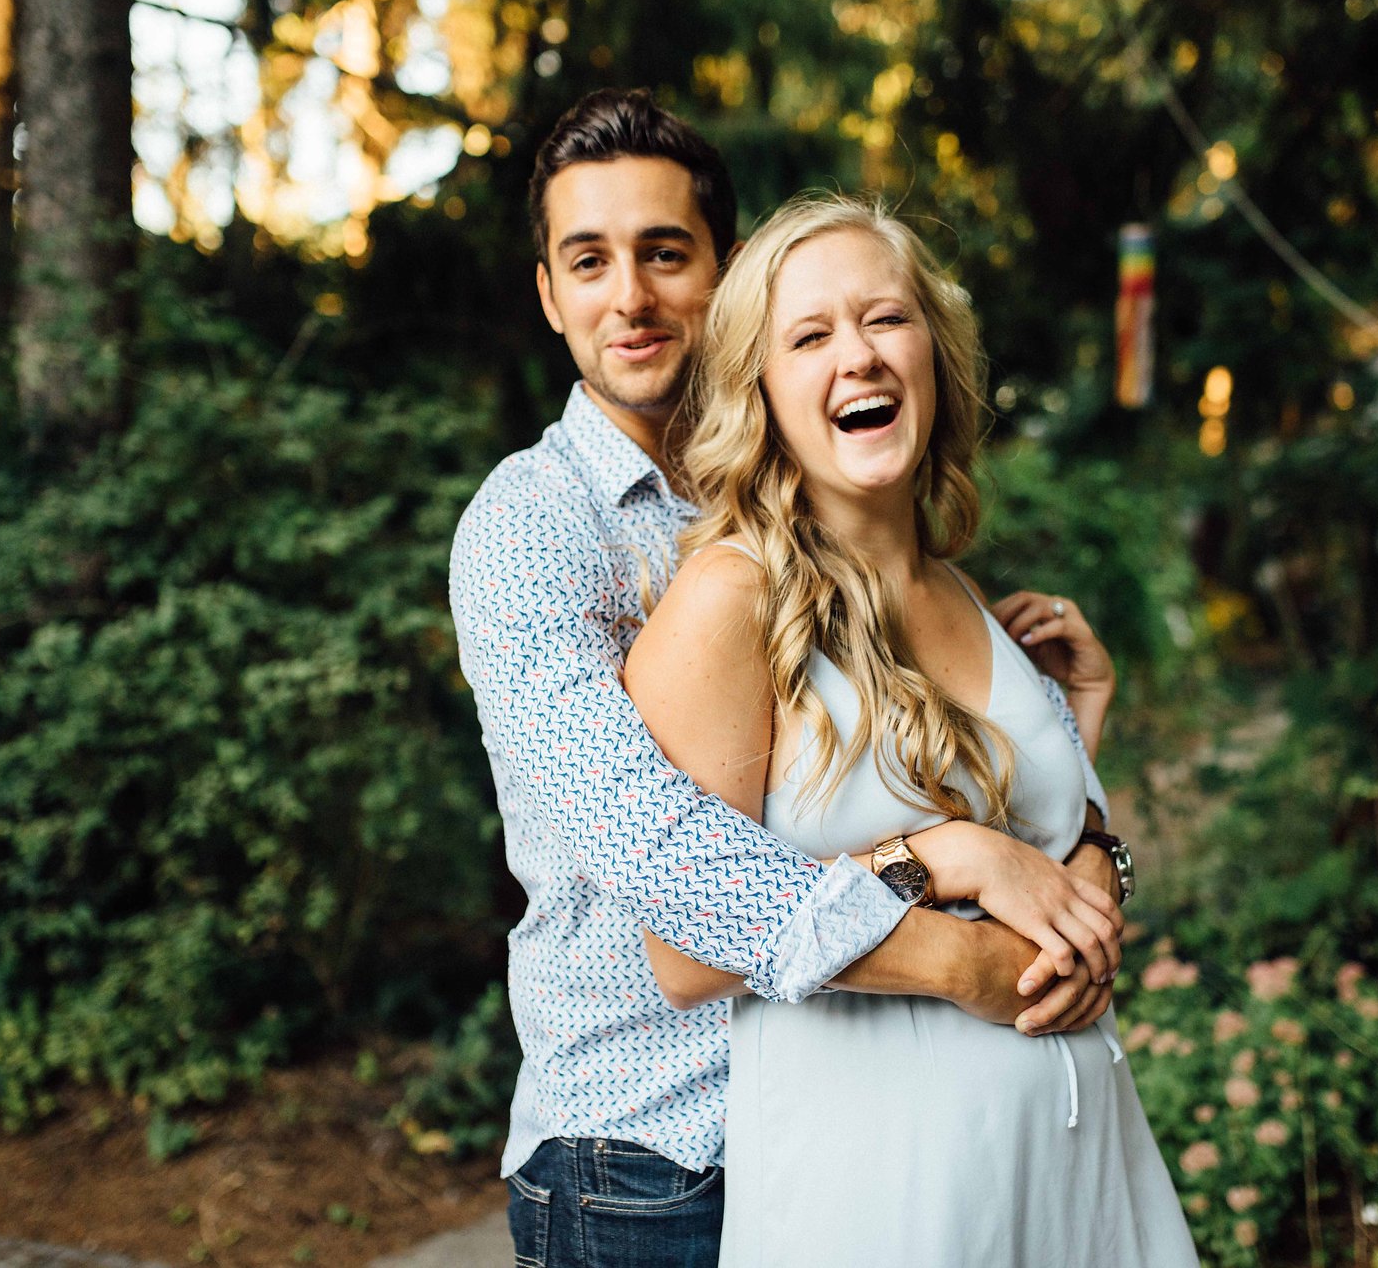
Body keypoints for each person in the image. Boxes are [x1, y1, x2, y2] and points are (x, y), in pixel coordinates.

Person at [449, 90, 1137, 1268]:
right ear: (548, 292)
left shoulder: (823, 508)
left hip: (849, 1124)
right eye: (589, 260)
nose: (631, 296)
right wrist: (963, 918)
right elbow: (660, 855)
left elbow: (918, 783)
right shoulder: (532, 527)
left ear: (725, 280)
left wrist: (1066, 806)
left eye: (667, 254)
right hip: (653, 1154)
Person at [624, 194, 1198, 1266]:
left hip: (1076, 1165)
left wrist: (1077, 734)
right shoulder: (726, 601)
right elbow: (685, 948)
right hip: (877, 1188)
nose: (860, 357)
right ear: (762, 390)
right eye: (809, 335)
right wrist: (941, 852)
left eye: (885, 319)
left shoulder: (961, 590)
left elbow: (1059, 858)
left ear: (934, 350)